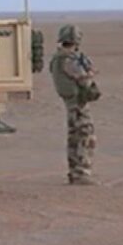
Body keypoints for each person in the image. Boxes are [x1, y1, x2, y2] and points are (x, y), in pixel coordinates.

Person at [48, 24, 101, 185]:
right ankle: (81, 173)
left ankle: (75, 172)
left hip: (71, 102)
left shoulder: (59, 58)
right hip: (77, 104)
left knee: (75, 137)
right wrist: (90, 74)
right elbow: (83, 80)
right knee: (84, 137)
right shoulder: (68, 59)